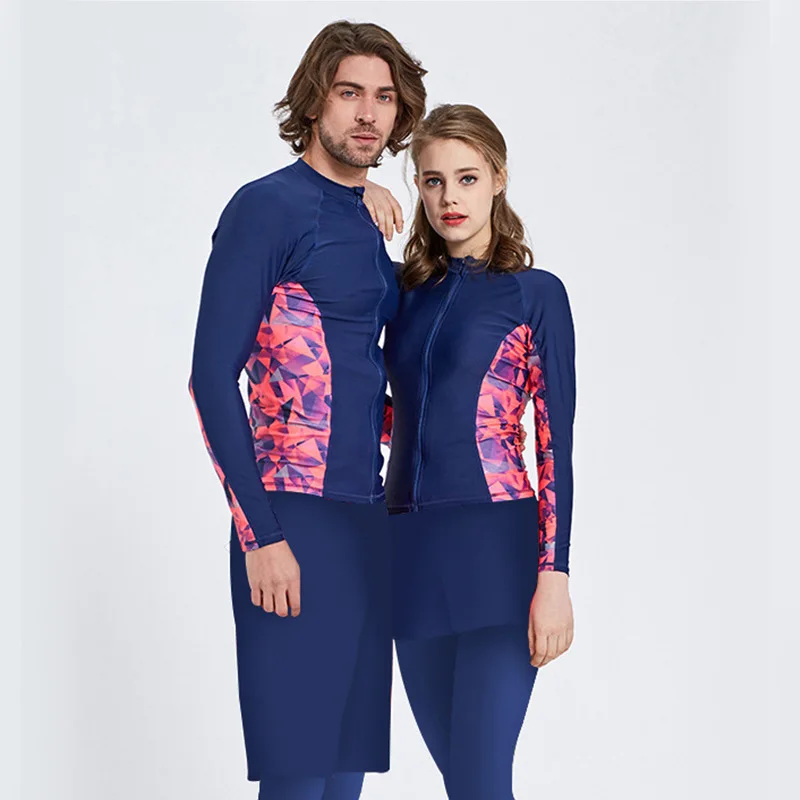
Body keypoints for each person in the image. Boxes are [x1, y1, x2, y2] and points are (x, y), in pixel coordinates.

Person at [188, 21, 426, 800]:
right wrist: (261, 535)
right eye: (350, 92)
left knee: (343, 782)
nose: (368, 112)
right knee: (296, 779)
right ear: (315, 98)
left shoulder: (368, 216)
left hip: (366, 525)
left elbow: (360, 376)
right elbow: (209, 379)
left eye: (384, 97)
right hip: (292, 515)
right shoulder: (266, 209)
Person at [369, 103, 577, 799]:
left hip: (496, 553)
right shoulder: (402, 294)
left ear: (498, 178)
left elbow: (555, 444)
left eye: (466, 178)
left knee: (482, 781)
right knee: (464, 786)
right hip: (408, 556)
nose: (448, 198)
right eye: (432, 181)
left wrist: (554, 575)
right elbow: (392, 412)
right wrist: (352, 198)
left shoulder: (533, 295)